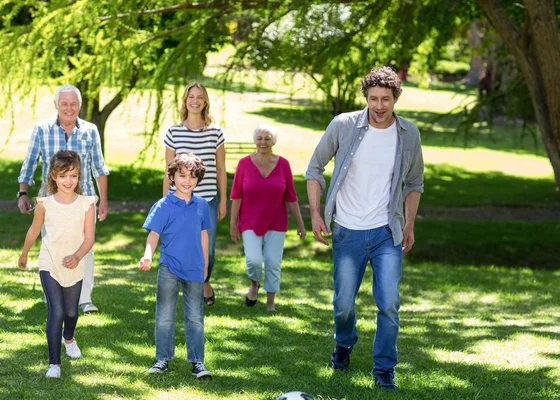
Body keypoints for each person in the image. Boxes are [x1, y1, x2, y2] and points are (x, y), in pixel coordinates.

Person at [305, 66, 424, 390]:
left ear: (396, 98)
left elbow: (414, 183)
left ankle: (384, 369)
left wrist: (409, 224)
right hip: (347, 230)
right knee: (344, 302)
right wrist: (316, 214)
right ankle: (343, 345)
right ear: (366, 98)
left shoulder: (408, 133)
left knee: (388, 303)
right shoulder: (344, 125)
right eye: (373, 99)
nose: (380, 106)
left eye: (386, 99)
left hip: (387, 232)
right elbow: (314, 168)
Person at [18, 84, 109, 313]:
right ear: (56, 105)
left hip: (84, 200)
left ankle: (85, 298)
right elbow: (29, 163)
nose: (69, 108)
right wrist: (23, 193)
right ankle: (53, 294)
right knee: (53, 246)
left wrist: (103, 200)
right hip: (51, 201)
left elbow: (99, 167)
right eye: (65, 103)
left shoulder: (90, 130)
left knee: (85, 247)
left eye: (74, 104)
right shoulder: (41, 129)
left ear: (80, 105)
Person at [18, 150, 96, 379]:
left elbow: (90, 238)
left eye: (73, 175)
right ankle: (55, 363)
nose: (68, 181)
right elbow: (34, 230)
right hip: (49, 262)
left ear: (79, 175)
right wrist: (24, 254)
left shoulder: (86, 204)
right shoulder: (44, 204)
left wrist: (78, 256)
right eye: (63, 176)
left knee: (71, 313)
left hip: (74, 264)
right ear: (53, 176)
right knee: (57, 310)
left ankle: (68, 337)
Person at [140, 153, 213, 379]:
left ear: (198, 179)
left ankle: (197, 362)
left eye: (192, 176)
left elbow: (204, 236)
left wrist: (206, 265)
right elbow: (153, 235)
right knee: (164, 316)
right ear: (172, 177)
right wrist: (147, 256)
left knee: (195, 318)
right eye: (181, 175)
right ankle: (162, 359)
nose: (187, 181)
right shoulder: (163, 205)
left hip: (195, 269)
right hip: (169, 267)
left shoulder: (202, 206)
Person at [229, 124, 306, 312]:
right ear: (255, 140)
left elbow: (291, 197)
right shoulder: (244, 164)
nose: (263, 142)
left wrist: (300, 223)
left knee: (273, 262)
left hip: (276, 221)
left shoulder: (284, 164)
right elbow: (236, 195)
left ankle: (270, 302)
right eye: (260, 138)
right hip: (249, 220)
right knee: (253, 260)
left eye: (267, 138)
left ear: (273, 141)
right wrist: (233, 224)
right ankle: (254, 284)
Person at [163, 81, 227, 306]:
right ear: (185, 100)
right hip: (178, 200)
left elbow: (220, 169)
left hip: (207, 199)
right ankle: (188, 286)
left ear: (205, 101)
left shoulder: (215, 133)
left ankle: (205, 280)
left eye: (199, 97)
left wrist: (223, 201)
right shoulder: (173, 132)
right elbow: (168, 171)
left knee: (206, 249)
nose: (195, 101)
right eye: (191, 96)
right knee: (180, 244)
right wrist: (165, 202)